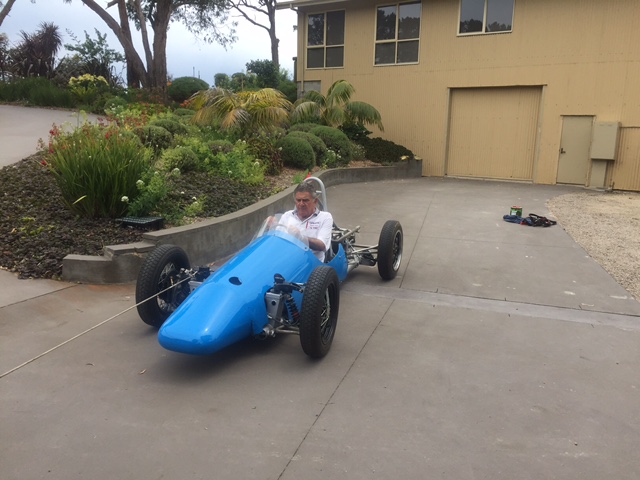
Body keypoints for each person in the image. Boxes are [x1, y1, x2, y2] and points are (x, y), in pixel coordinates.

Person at [277, 182, 333, 261]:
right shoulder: (287, 215)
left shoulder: (325, 217)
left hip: (312, 262)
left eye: (305, 200)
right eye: (298, 200)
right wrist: (270, 227)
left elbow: (322, 246)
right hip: (289, 259)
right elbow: (278, 240)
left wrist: (300, 237)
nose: (301, 204)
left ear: (315, 201)